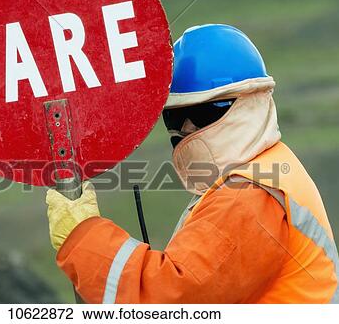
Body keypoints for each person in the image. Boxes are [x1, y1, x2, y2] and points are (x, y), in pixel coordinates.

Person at [46, 24, 339, 303]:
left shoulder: (248, 196)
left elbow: (171, 297)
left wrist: (84, 236)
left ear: (252, 101)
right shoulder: (266, 168)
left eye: (205, 112)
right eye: (173, 118)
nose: (185, 130)